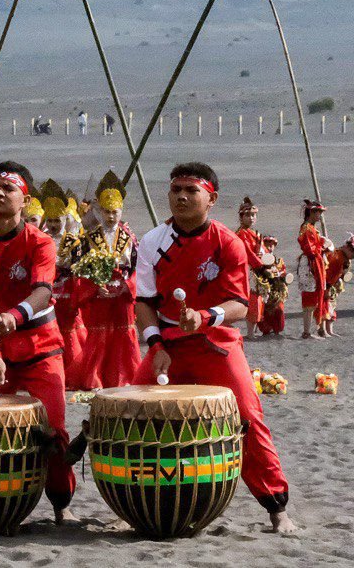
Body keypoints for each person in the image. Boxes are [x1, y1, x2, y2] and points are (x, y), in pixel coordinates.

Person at [133, 162, 293, 532]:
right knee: (126, 411)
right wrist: (156, 345)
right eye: (176, 190)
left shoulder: (228, 242)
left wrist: (204, 318)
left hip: (215, 344)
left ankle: (277, 508)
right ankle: (136, 505)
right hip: (168, 345)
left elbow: (239, 302)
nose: (182, 197)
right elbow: (144, 302)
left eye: (191, 190)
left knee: (248, 419)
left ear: (212, 198)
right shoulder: (152, 241)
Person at [0, 162, 76, 523]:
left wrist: (15, 315)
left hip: (41, 346)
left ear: (24, 200)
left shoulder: (40, 242)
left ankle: (62, 506)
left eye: (8, 188)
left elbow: (43, 290)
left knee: (55, 433)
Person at [67, 171, 140, 390]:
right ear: (99, 211)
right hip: (100, 293)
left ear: (121, 211)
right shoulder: (89, 238)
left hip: (121, 294)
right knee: (98, 336)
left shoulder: (129, 238)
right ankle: (95, 378)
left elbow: (137, 267)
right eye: (106, 212)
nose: (110, 217)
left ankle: (126, 377)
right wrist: (95, 287)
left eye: (114, 212)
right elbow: (80, 269)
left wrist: (128, 287)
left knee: (124, 335)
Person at [40, 180, 85, 386]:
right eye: (49, 220)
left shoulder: (73, 241)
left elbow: (78, 268)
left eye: (57, 220)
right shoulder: (41, 238)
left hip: (66, 290)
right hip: (46, 292)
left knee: (67, 330)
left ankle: (73, 374)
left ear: (65, 218)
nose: (53, 225)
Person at [296, 199, 329, 339]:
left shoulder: (312, 228)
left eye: (321, 213)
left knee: (315, 295)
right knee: (309, 296)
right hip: (310, 263)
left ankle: (316, 328)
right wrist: (321, 248)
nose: (319, 215)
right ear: (312, 212)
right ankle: (307, 331)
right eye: (318, 212)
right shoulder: (306, 228)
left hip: (315, 261)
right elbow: (309, 248)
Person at [235, 198, 267, 339]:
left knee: (258, 298)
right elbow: (247, 252)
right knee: (253, 298)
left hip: (256, 267)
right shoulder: (242, 234)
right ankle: (249, 332)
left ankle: (253, 330)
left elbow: (262, 251)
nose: (251, 218)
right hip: (249, 269)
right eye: (248, 215)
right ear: (241, 217)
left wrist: (265, 258)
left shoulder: (254, 233)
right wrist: (260, 266)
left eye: (253, 215)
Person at [257, 236, 289, 336]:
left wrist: (283, 277)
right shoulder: (259, 260)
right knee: (264, 310)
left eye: (272, 245)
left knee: (278, 309)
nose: (270, 247)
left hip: (277, 289)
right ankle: (266, 329)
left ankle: (277, 329)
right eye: (268, 244)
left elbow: (283, 272)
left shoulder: (278, 261)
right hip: (265, 289)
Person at [326, 234, 352, 335]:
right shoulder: (336, 255)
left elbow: (341, 274)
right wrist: (327, 287)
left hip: (333, 286)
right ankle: (324, 330)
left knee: (332, 306)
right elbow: (329, 272)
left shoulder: (346, 259)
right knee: (327, 308)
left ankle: (329, 330)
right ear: (347, 247)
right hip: (327, 285)